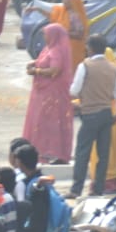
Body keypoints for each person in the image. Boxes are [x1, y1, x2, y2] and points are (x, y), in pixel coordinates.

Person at [68, 35, 116, 198]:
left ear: (91, 48)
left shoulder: (85, 66)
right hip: (106, 113)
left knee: (82, 152)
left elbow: (74, 90)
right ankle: (99, 188)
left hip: (89, 114)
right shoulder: (113, 68)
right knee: (103, 153)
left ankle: (76, 188)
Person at [23, 23, 75, 164]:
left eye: (46, 34)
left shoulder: (57, 50)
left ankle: (52, 151)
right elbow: (45, 60)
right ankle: (43, 150)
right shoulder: (49, 48)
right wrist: (35, 62)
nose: (44, 37)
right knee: (41, 121)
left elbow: (55, 70)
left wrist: (36, 71)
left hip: (52, 93)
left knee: (49, 122)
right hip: (44, 92)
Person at [49, 0, 88, 66]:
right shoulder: (64, 12)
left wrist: (63, 32)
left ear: (73, 0)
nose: (63, 0)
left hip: (73, 51)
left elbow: (80, 34)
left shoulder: (75, 15)